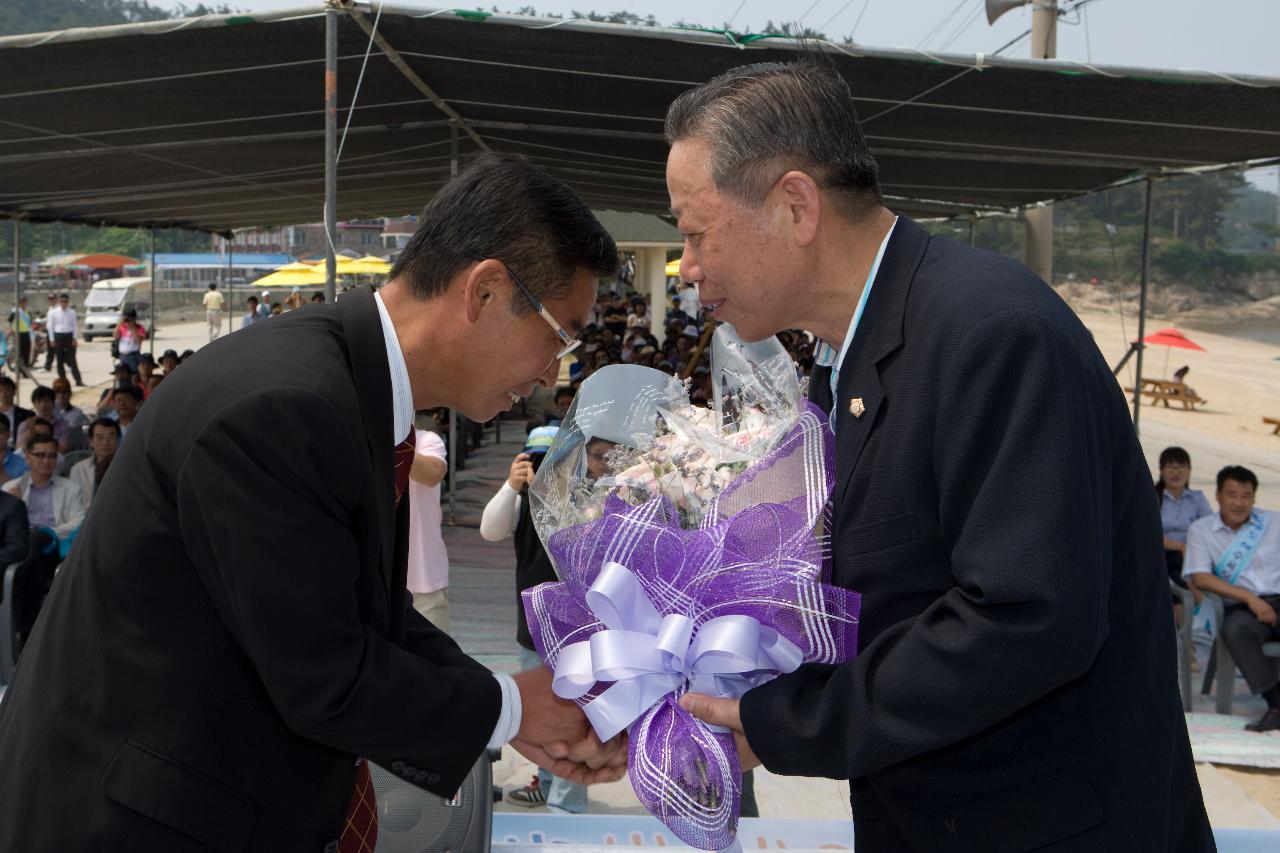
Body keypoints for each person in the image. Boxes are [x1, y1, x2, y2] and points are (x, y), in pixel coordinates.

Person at [0, 153, 626, 851]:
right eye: (561, 335)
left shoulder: (350, 388)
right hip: (134, 819)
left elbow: (367, 619)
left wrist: (511, 708)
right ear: (484, 291)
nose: (555, 368)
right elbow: (325, 673)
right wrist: (511, 707)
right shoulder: (285, 407)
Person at [664, 58, 1211, 849]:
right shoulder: (842, 361)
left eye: (694, 229)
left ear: (794, 205)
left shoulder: (989, 334)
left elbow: (1025, 618)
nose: (688, 264)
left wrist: (794, 722)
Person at [481, 426, 588, 815]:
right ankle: (546, 783)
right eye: (536, 462)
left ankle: (568, 801)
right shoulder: (523, 502)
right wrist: (511, 486)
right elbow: (489, 529)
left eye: (553, 462)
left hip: (575, 630)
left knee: (572, 715)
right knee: (543, 715)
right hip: (532, 629)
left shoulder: (582, 502)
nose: (544, 471)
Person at [1184, 466, 1280, 733]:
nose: (1239, 503)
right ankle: (1276, 703)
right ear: (1218, 495)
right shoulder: (1201, 530)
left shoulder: (1273, 522)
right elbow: (1201, 578)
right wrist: (1250, 599)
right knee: (1234, 629)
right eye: (1232, 494)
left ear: (1254, 498)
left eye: (1246, 496)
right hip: (1245, 607)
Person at [3, 433, 87, 652]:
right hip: (26, 555)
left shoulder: (70, 487)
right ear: (27, 458)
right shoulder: (11, 489)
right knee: (36, 570)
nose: (46, 460)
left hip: (54, 548)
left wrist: (48, 531)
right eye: (40, 455)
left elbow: (79, 520)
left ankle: (16, 607)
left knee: (38, 537)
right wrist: (15, 506)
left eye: (51, 455)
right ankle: (28, 634)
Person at [405, 423, 449, 630]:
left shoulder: (427, 440)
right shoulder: (361, 441)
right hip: (375, 582)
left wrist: (389, 439)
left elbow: (433, 473)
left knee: (432, 661)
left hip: (423, 582)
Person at [1156, 446, 1213, 597]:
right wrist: (1180, 546)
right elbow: (1147, 533)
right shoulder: (1153, 497)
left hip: (1192, 555)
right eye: (1170, 466)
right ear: (1161, 471)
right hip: (1160, 554)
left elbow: (1209, 528)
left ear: (1189, 471)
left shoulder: (1197, 498)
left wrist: (1191, 549)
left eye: (1181, 466)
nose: (1176, 471)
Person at [70, 417, 120, 506]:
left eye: (111, 437)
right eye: (100, 437)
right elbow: (74, 503)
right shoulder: (78, 470)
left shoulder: (127, 468)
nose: (105, 443)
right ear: (91, 442)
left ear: (117, 440)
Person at [15, 386, 69, 454]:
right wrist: (30, 432)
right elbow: (19, 449)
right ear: (34, 404)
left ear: (53, 403)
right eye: (39, 402)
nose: (43, 405)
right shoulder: (25, 425)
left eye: (47, 401)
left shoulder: (63, 425)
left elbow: (63, 449)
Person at [46, 292, 84, 386]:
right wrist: (51, 339)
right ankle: (63, 381)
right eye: (62, 301)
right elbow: (51, 327)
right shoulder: (53, 312)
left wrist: (74, 338)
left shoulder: (72, 312)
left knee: (72, 360)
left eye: (66, 301)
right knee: (59, 360)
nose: (64, 303)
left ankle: (78, 380)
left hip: (69, 336)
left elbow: (75, 326)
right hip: (58, 337)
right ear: (59, 302)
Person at [111, 307, 148, 375]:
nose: (127, 320)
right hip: (123, 356)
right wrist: (120, 323)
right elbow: (115, 336)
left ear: (134, 318)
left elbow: (139, 340)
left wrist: (132, 328)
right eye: (126, 318)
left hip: (134, 355)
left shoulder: (139, 328)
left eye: (130, 318)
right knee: (124, 374)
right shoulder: (122, 327)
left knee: (134, 374)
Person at [0, 375, 33, 449]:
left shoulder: (27, 415)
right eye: (0, 391)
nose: (4, 394)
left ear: (14, 391)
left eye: (7, 390)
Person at [8, 295, 32, 369]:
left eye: (24, 301)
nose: (23, 303)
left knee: (27, 351)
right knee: (20, 352)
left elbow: (30, 322)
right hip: (18, 334)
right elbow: (9, 321)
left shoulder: (28, 311)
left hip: (26, 333)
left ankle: (26, 368)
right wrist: (12, 329)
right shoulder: (15, 311)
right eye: (21, 301)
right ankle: (20, 369)